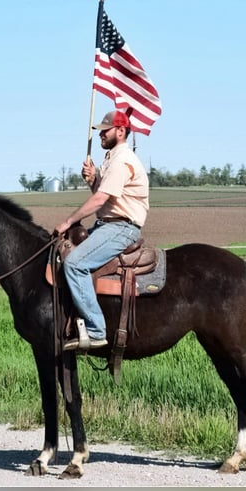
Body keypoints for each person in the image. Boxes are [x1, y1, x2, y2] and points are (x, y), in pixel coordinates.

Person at [54, 110, 149, 351]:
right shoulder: (111, 159)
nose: (100, 135)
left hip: (121, 227)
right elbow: (105, 196)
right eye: (99, 131)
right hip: (108, 224)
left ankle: (96, 330)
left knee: (74, 263)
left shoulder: (122, 160)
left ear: (120, 131)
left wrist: (67, 222)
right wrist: (94, 179)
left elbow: (99, 200)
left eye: (105, 131)